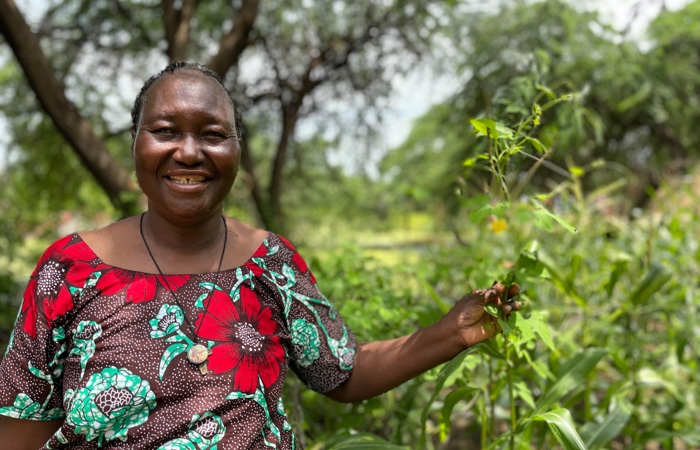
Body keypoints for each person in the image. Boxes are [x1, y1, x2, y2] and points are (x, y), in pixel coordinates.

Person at [0, 62, 520, 449]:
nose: (188, 152)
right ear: (135, 144)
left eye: (212, 134)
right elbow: (21, 430)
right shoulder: (69, 270)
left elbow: (343, 372)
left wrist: (448, 333)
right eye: (164, 131)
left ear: (237, 152)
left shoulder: (269, 260)